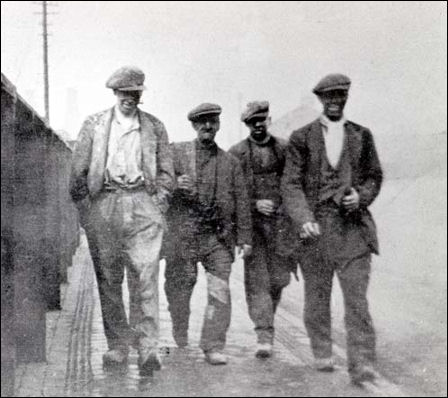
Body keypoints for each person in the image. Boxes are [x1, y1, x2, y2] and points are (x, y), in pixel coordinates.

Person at [69, 66, 174, 376]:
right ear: (114, 94)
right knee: (109, 277)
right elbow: (78, 172)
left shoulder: (155, 127)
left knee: (146, 276)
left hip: (143, 203)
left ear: (141, 95)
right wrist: (87, 212)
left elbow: (167, 172)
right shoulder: (94, 125)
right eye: (124, 94)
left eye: (135, 94)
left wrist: (160, 203)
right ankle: (117, 345)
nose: (130, 99)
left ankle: (148, 349)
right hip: (106, 203)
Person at [281, 74, 383, 385]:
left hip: (353, 231)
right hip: (316, 233)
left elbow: (374, 177)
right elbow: (291, 184)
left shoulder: (361, 136)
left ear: (347, 97)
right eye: (329, 97)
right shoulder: (301, 138)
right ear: (320, 100)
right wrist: (304, 219)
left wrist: (361, 196)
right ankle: (322, 350)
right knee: (317, 298)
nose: (335, 101)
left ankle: (362, 364)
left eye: (340, 96)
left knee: (357, 301)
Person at [163, 103, 252, 365]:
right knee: (178, 291)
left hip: (217, 237)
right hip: (183, 236)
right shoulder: (177, 154)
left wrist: (245, 237)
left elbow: (242, 202)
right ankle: (180, 326)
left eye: (212, 122)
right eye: (202, 122)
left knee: (220, 290)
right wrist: (175, 186)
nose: (207, 127)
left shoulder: (230, 163)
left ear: (219, 125)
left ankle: (213, 345)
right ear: (193, 126)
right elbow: (157, 184)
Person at [229, 101, 296, 359]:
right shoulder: (237, 154)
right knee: (258, 283)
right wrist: (255, 204)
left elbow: (295, 184)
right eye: (252, 122)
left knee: (279, 280)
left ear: (269, 119)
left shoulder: (285, 149)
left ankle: (266, 323)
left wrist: (282, 206)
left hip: (282, 227)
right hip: (254, 229)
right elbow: (232, 193)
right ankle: (264, 336)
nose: (258, 125)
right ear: (246, 125)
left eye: (262, 119)